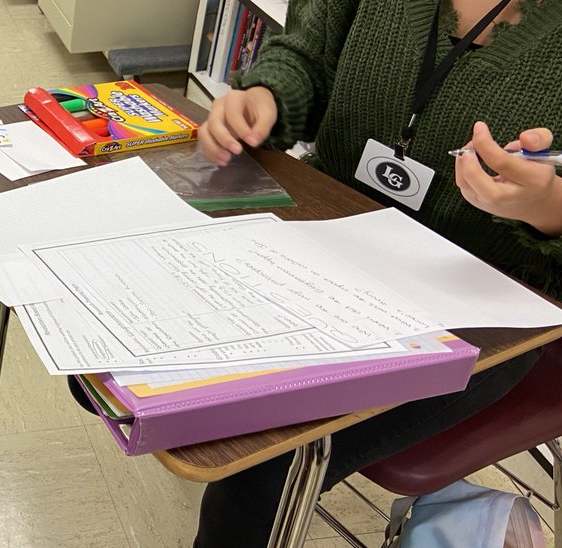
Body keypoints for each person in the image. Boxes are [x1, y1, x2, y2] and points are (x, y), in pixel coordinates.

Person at [193, 0, 562, 544]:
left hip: (485, 308)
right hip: (325, 233)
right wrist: (266, 96)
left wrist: (550, 211)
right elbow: (307, 58)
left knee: (262, 464)